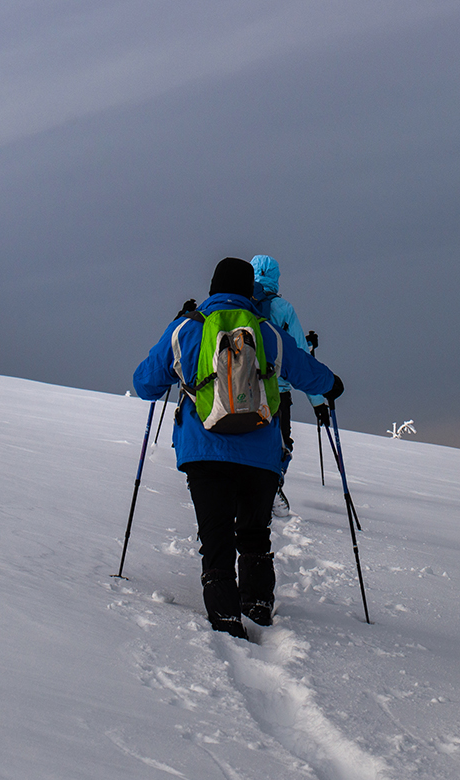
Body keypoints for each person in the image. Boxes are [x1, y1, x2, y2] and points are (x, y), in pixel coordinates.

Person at [133, 257, 343, 638]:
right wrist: (332, 385)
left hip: (204, 450)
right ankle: (258, 604)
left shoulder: (188, 327)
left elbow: (146, 383)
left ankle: (225, 615)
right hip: (260, 452)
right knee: (253, 531)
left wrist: (175, 325)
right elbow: (307, 371)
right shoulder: (267, 332)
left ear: (213, 287)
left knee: (215, 536)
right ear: (250, 291)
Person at [250, 254, 324, 515]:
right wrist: (319, 402)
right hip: (278, 391)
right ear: (276, 277)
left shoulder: (238, 305)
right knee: (282, 443)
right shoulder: (283, 309)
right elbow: (298, 357)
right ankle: (271, 488)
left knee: (247, 438)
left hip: (241, 389)